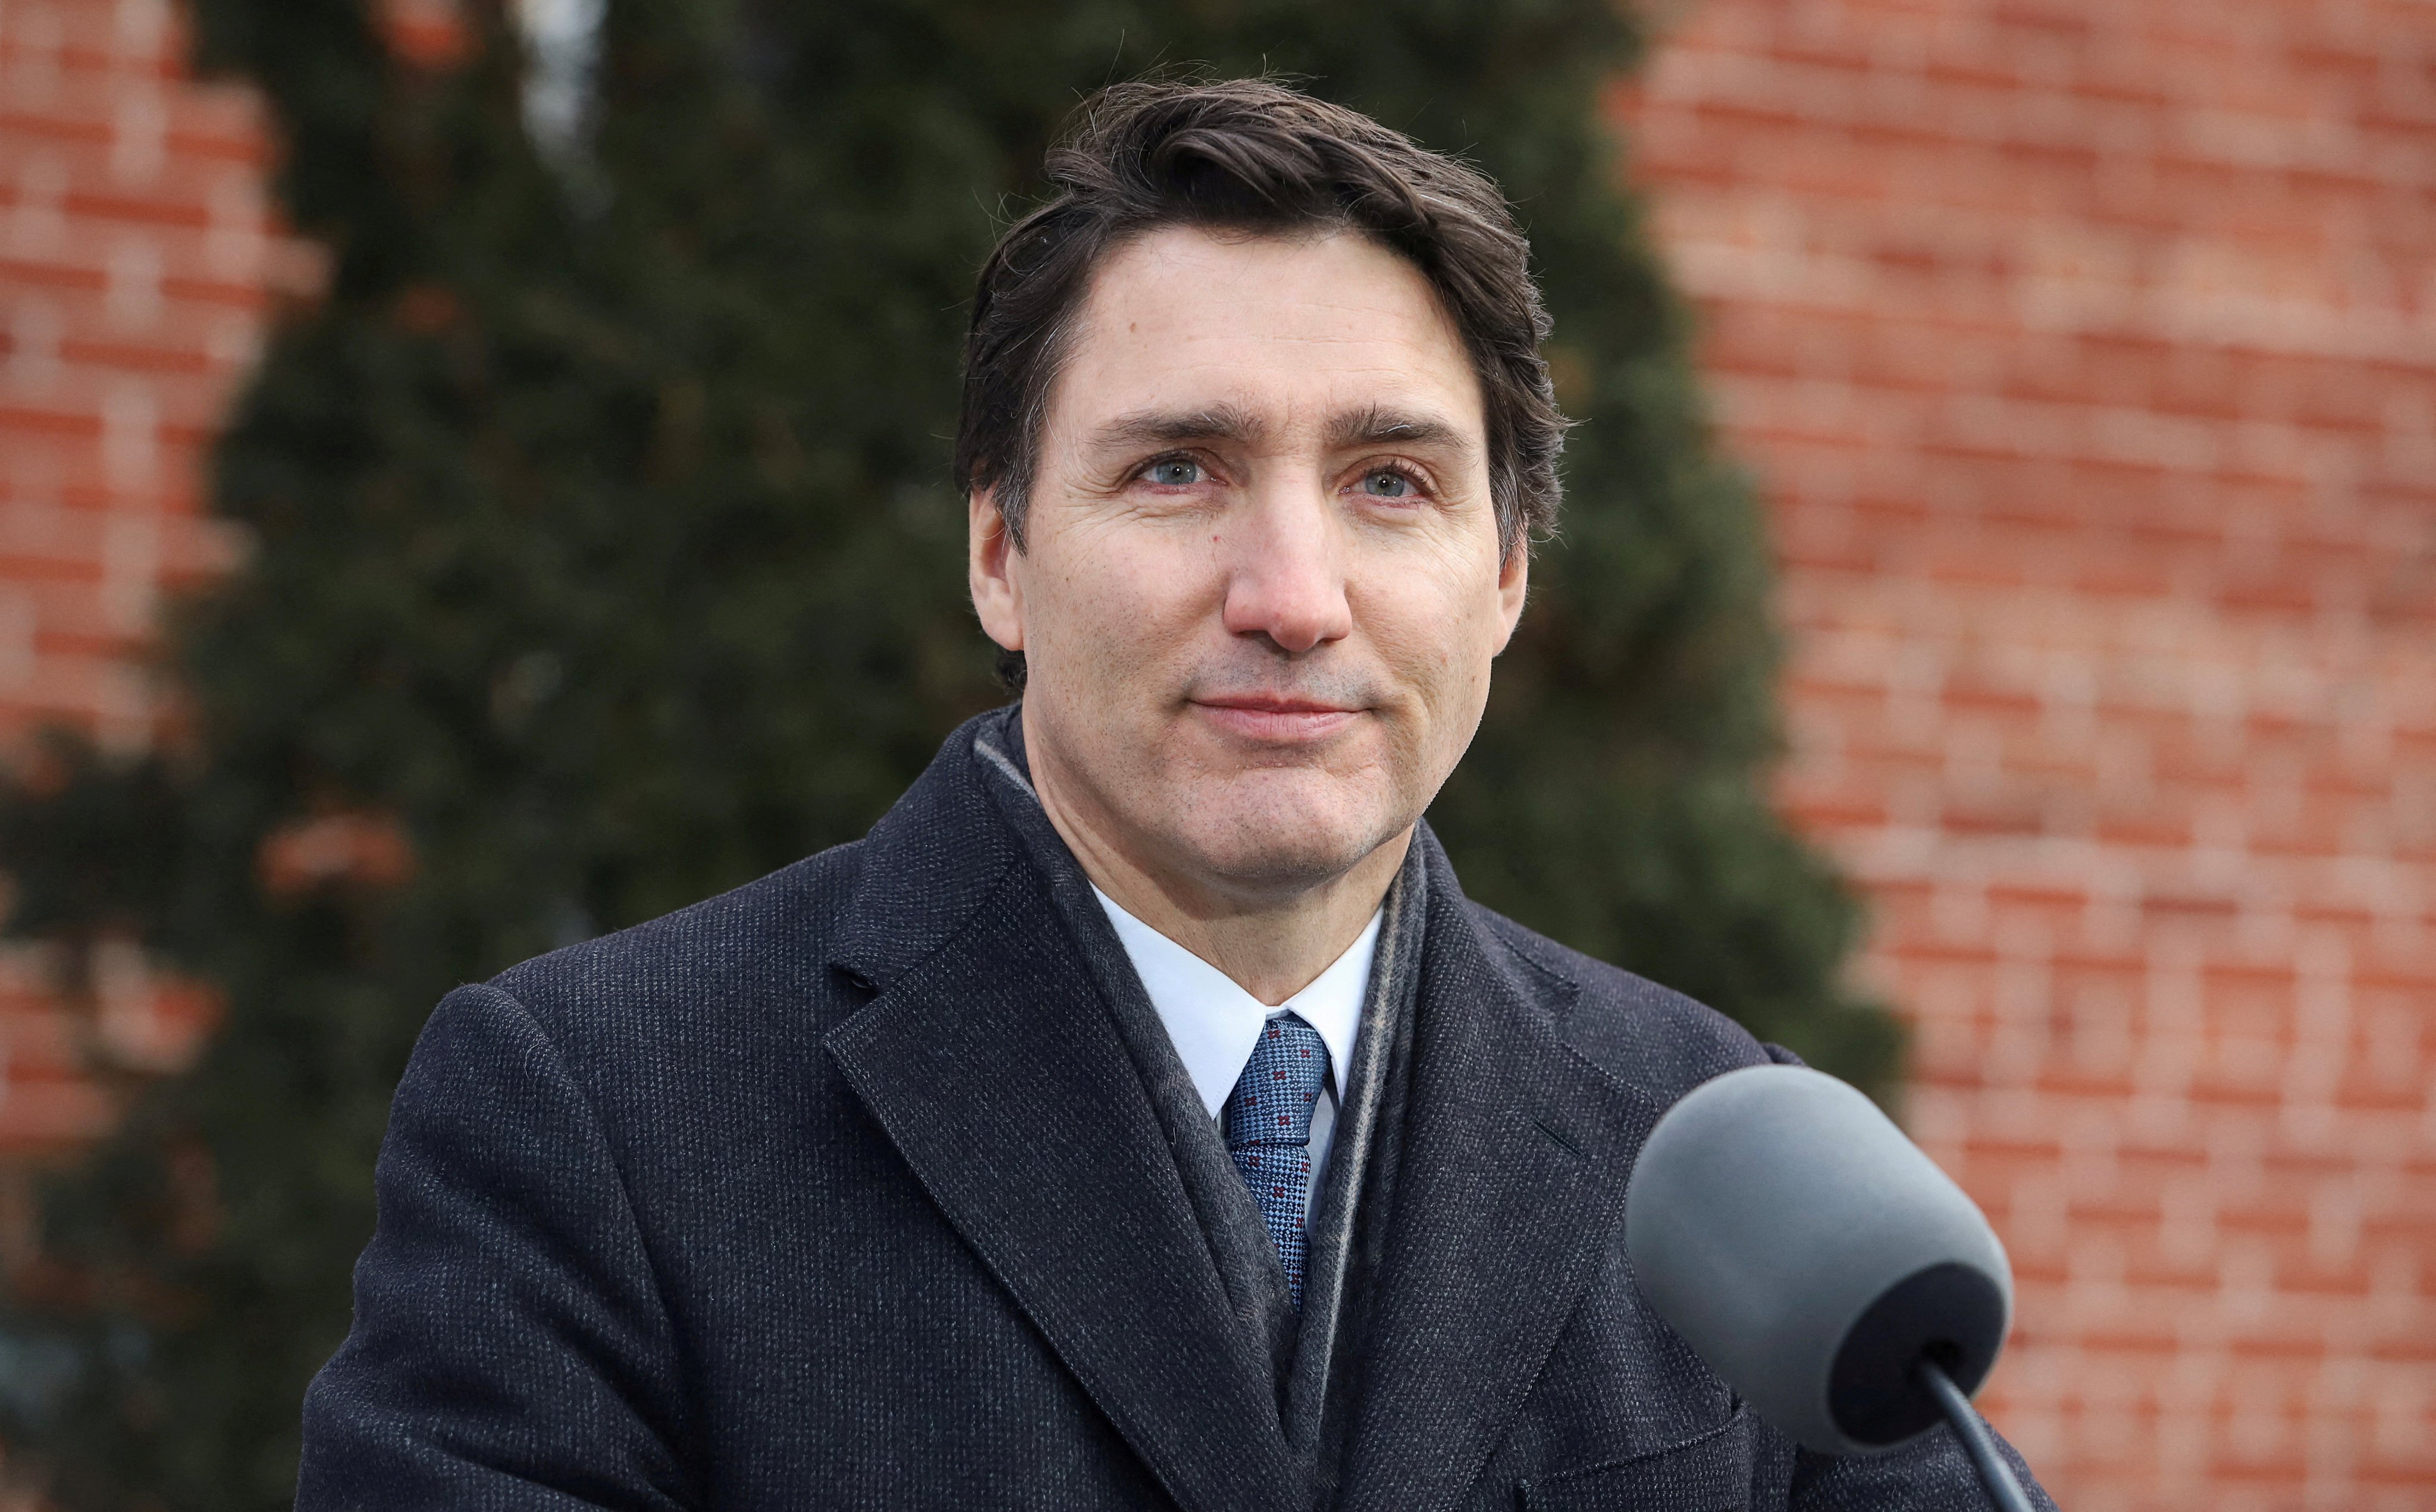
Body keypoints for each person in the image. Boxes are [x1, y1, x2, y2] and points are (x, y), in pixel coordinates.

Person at [299, 79, 2052, 1512]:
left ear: (1507, 575)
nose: (1292, 593)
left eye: (1388, 481)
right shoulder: (596, 1116)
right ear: (1001, 549)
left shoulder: (1727, 1159)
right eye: (1175, 469)